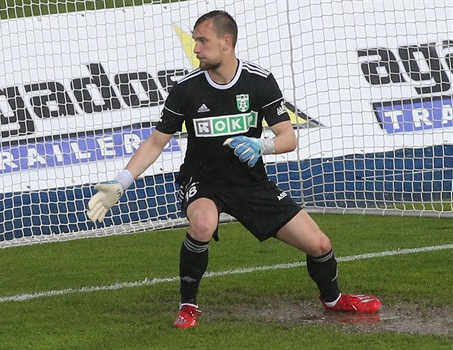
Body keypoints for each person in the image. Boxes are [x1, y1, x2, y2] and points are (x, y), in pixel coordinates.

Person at [86, 10, 381, 329]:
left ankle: (333, 299)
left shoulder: (259, 80)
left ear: (226, 42)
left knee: (320, 244)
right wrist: (121, 182)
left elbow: (287, 138)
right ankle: (188, 305)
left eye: (202, 40)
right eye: (195, 40)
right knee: (202, 224)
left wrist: (261, 146)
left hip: (251, 184)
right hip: (203, 181)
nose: (196, 48)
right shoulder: (186, 89)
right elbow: (157, 142)